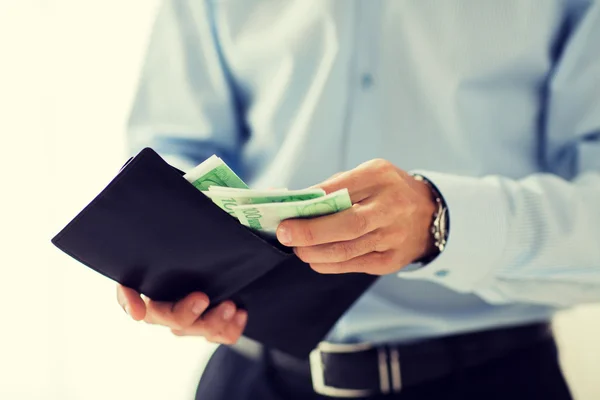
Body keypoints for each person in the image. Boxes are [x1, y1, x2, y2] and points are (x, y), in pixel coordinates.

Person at [116, 1, 600, 399]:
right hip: (251, 378)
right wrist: (172, 262)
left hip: (490, 380)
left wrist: (442, 221)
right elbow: (175, 149)